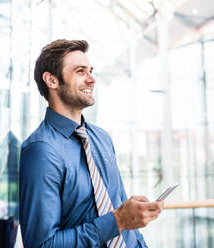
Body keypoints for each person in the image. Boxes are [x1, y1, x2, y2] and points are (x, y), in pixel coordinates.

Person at [19, 39, 164, 247]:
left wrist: (129, 222)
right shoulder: (41, 150)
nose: (92, 79)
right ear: (52, 80)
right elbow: (43, 244)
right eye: (80, 72)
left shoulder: (101, 138)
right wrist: (118, 220)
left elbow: (121, 214)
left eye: (90, 71)